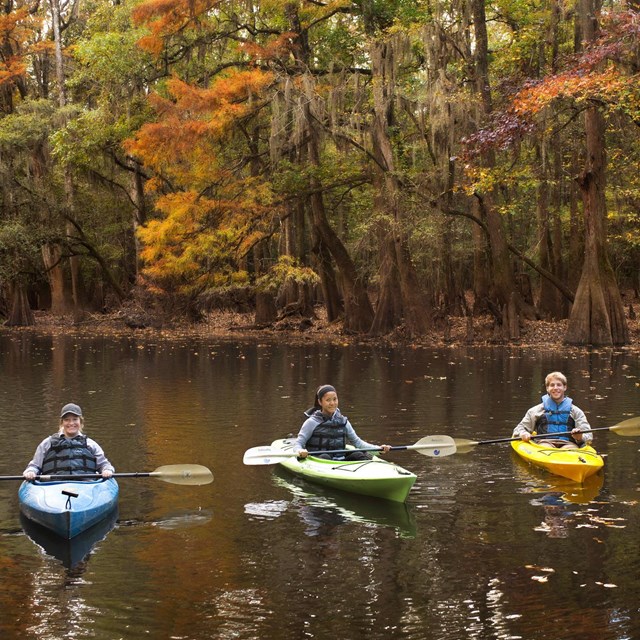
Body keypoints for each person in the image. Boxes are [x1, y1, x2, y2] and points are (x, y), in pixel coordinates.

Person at [292, 384, 391, 461]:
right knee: (325, 456)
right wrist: (300, 451)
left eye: (335, 399)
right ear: (320, 402)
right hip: (320, 461)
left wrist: (379, 449)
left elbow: (358, 443)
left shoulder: (343, 421)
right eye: (328, 400)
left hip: (340, 460)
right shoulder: (311, 422)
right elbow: (298, 444)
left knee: (359, 454)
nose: (332, 403)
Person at [23, 403, 115, 480]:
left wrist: (107, 470)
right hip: (52, 488)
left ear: (81, 422)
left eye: (75, 419)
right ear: (62, 422)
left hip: (86, 488)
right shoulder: (47, 443)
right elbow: (34, 466)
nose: (71, 423)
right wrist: (30, 472)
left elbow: (104, 464)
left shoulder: (90, 444)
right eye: (67, 420)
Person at [512, 371, 592, 449]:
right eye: (552, 385)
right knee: (546, 447)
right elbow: (519, 428)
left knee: (570, 450)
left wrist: (580, 436)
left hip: (568, 444)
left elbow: (588, 435)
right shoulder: (536, 411)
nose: (555, 388)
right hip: (545, 443)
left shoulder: (576, 411)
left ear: (565, 387)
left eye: (559, 385)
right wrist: (523, 433)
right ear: (547, 388)